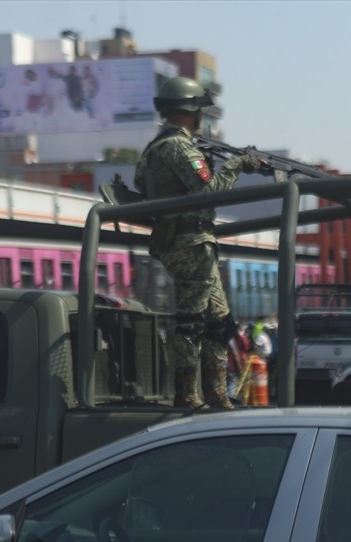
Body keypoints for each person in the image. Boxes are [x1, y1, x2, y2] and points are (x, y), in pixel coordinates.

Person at [134, 77, 263, 409]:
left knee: (220, 322)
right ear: (191, 112)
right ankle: (188, 395)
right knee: (192, 323)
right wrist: (237, 165)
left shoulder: (153, 150)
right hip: (190, 243)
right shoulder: (180, 147)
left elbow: (144, 185)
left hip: (183, 241)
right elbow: (209, 191)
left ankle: (216, 393)